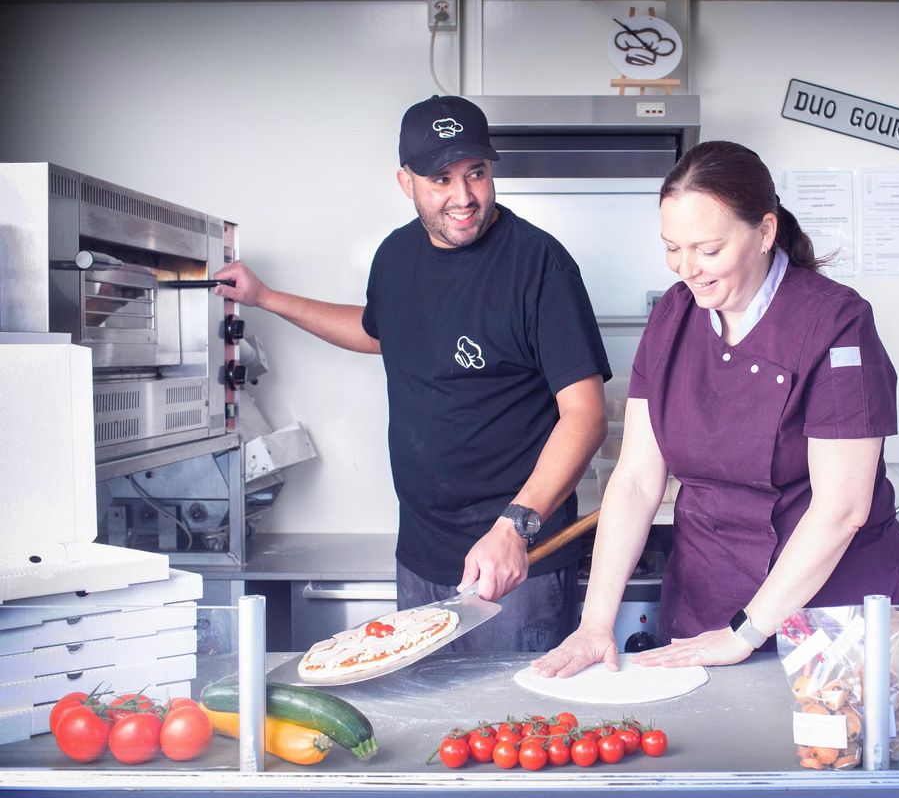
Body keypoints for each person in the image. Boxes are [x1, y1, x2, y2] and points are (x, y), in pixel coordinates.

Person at [215, 95, 611, 652]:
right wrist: (267, 298)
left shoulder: (539, 264)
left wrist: (513, 529)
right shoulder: (396, 256)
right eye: (440, 179)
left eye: (476, 173)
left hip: (518, 561)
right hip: (421, 553)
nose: (463, 196)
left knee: (513, 730)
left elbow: (585, 416)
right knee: (430, 726)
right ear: (406, 182)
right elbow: (379, 332)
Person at [534, 140, 899, 676]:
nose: (687, 269)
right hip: (706, 606)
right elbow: (636, 481)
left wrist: (747, 632)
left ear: (764, 232)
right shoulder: (673, 317)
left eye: (708, 250)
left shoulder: (837, 323)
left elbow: (842, 509)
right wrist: (596, 622)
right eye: (672, 248)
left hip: (831, 614)